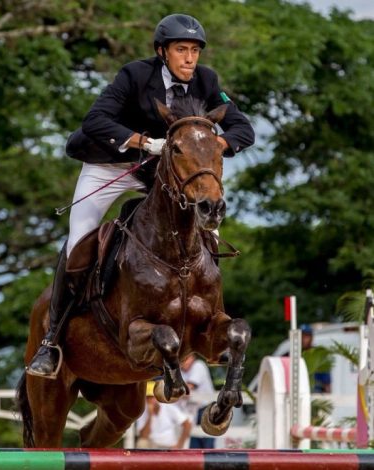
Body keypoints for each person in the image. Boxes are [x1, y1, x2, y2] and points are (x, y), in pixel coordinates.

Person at [26, 13, 255, 378]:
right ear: (162, 51)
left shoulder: (207, 81)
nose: (190, 59)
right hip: (112, 166)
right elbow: (96, 120)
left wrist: (216, 143)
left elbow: (242, 127)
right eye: (182, 50)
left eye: (195, 51)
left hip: (163, 173)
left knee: (206, 236)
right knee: (78, 241)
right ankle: (51, 340)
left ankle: (203, 322)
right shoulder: (134, 75)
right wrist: (143, 142)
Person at [136, 381, 192, 449]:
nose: (150, 400)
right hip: (151, 445)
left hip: (168, 446)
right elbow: (144, 436)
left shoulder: (167, 407)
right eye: (148, 397)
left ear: (157, 397)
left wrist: (180, 444)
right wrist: (150, 416)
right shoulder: (143, 410)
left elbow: (187, 424)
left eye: (152, 397)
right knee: (142, 443)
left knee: (142, 443)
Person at [179, 353, 216, 448]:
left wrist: (176, 392)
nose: (184, 362)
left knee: (207, 445)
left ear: (193, 358)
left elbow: (188, 387)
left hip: (206, 409)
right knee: (194, 446)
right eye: (183, 359)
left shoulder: (199, 365)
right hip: (193, 412)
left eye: (187, 358)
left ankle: (209, 462)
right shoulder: (181, 371)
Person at [300, 324, 332, 393]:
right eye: (302, 336)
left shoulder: (318, 353)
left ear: (311, 337)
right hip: (301, 390)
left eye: (306, 336)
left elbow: (327, 380)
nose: (303, 339)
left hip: (317, 391)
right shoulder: (296, 354)